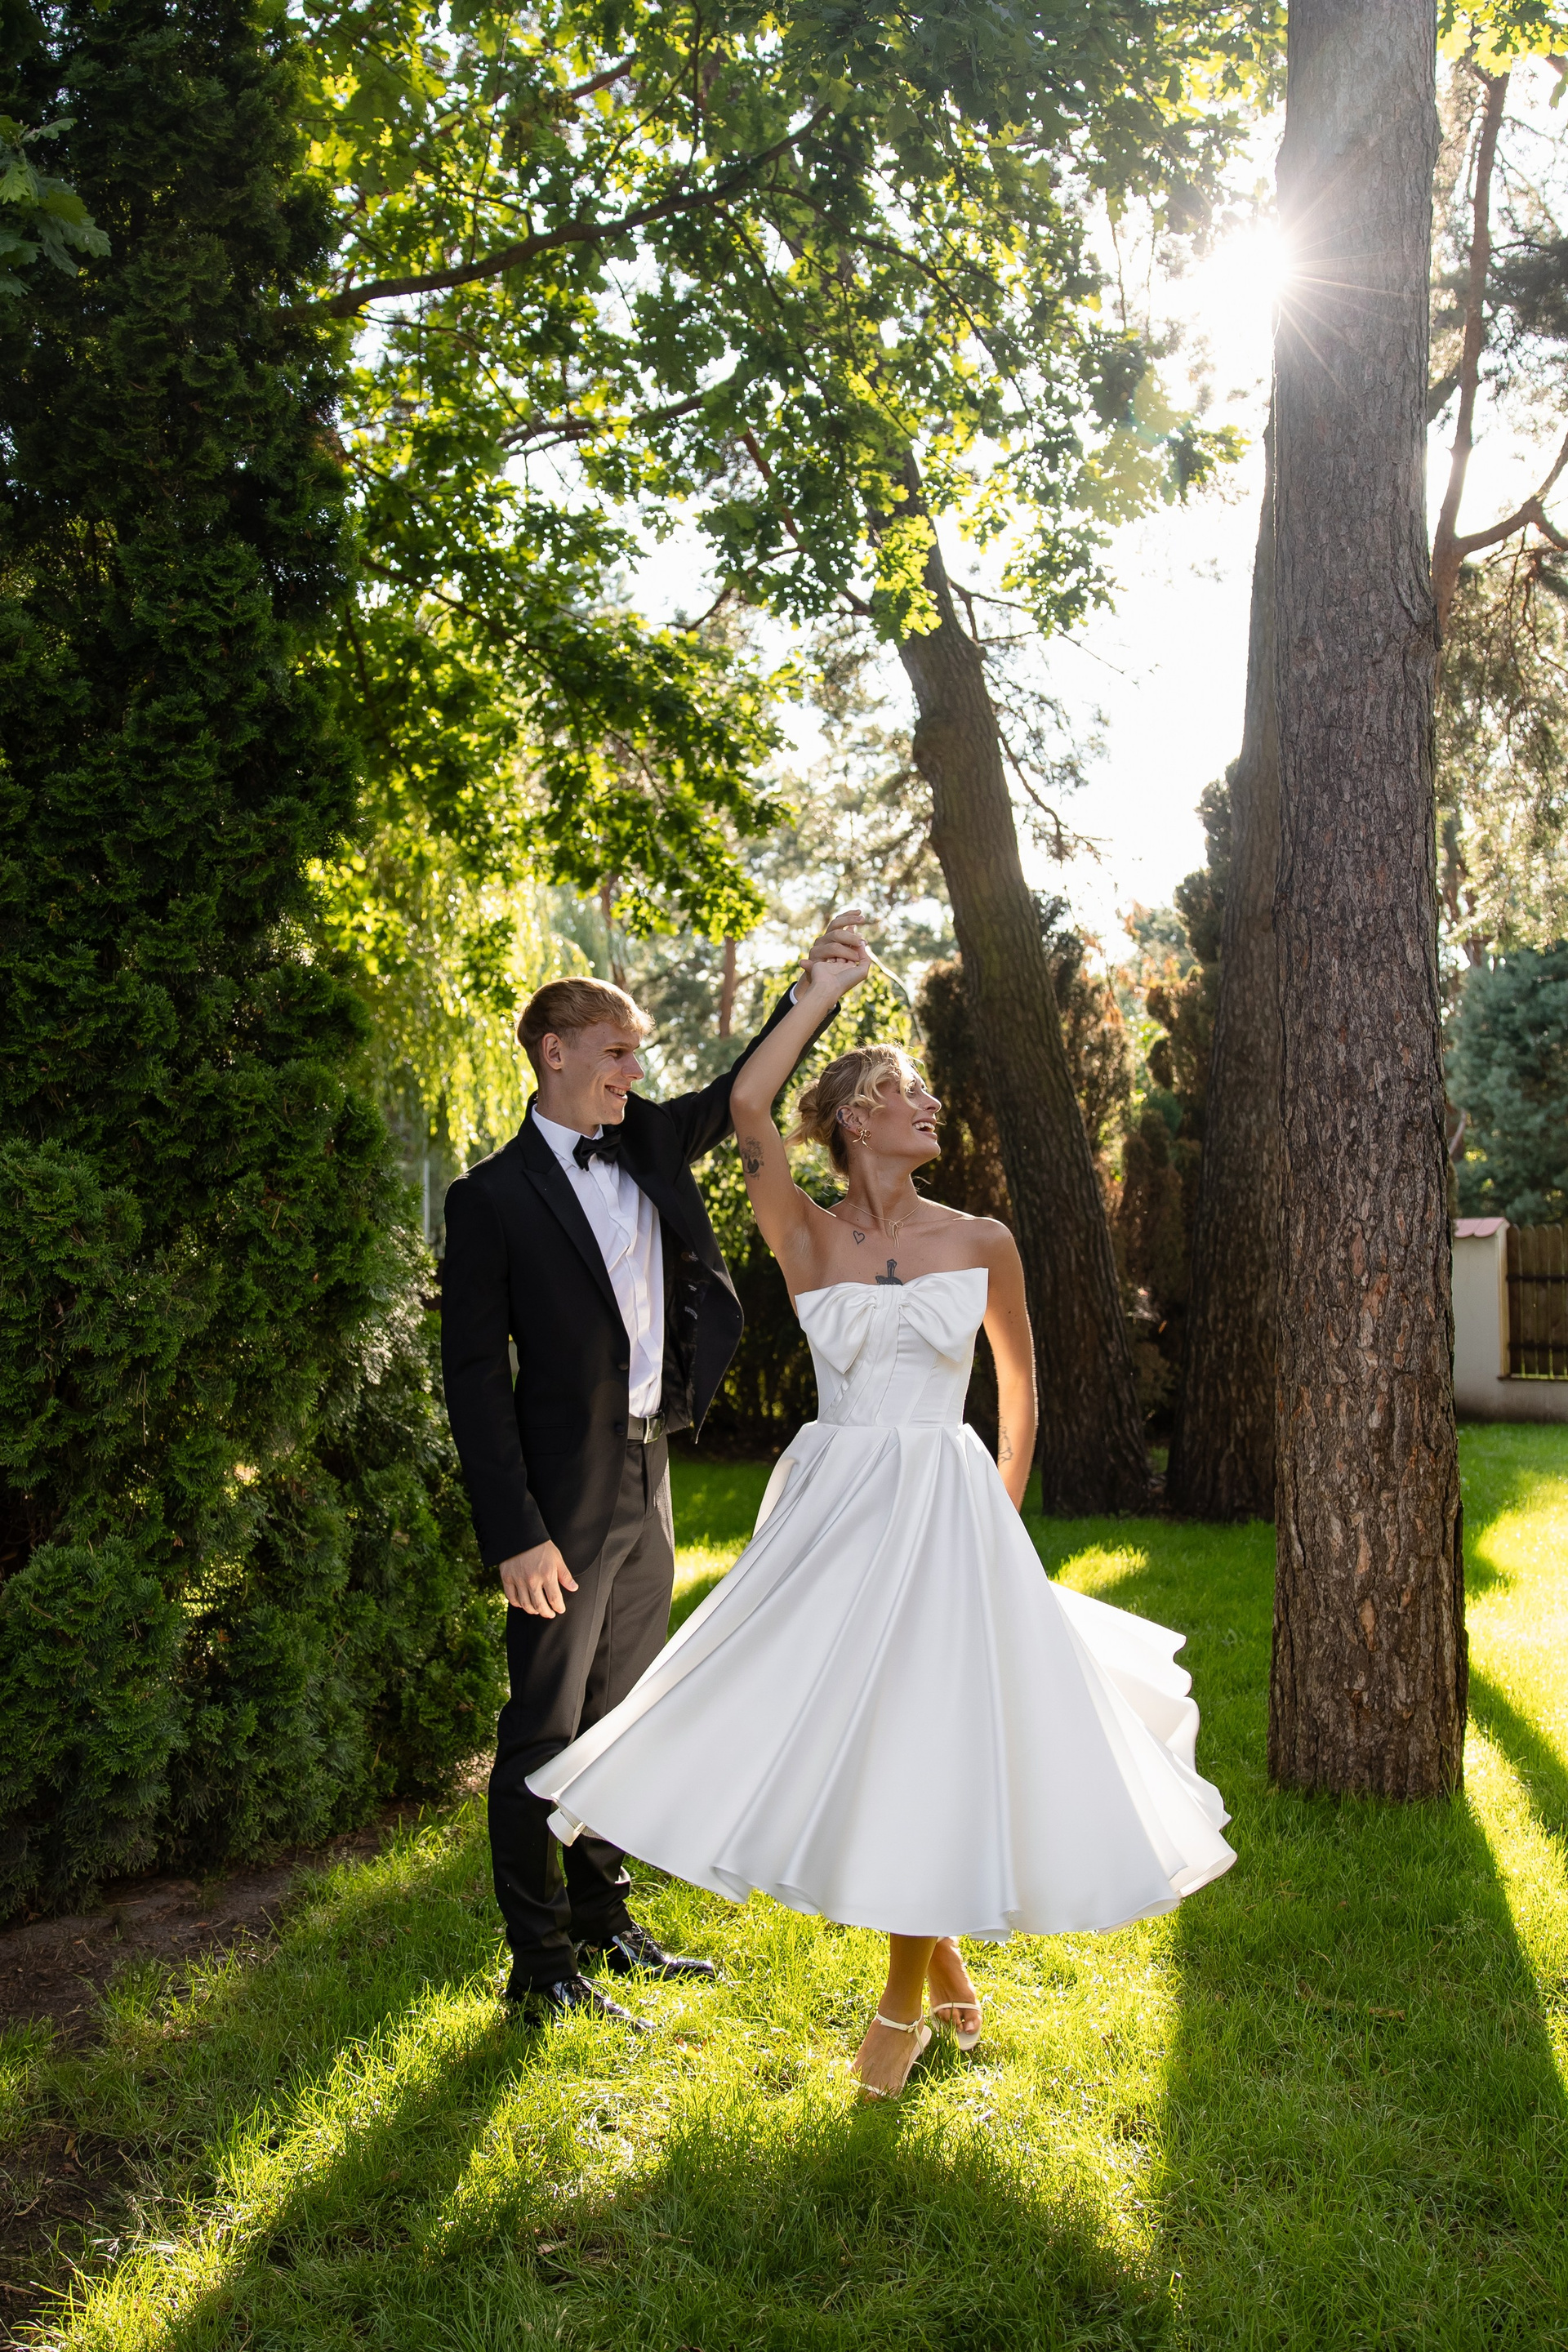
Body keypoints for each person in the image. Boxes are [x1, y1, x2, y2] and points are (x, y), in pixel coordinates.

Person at [528, 913, 1236, 2094]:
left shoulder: (984, 1240)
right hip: (838, 1511)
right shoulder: (804, 1232)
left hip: (950, 1511)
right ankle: (940, 1958)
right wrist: (819, 992)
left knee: (931, 1733)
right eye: (909, 1093)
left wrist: (997, 1521)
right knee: (855, 1736)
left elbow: (1021, 1392)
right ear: (856, 1119)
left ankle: (903, 1997)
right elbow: (748, 1106)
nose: (932, 1107)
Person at [441, 923, 852, 2025]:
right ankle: (539, 1969)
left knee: (621, 1715)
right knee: (544, 1726)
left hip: (650, 1466)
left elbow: (744, 1089)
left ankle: (605, 1924)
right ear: (556, 1052)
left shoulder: (651, 1140)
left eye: (638, 1054)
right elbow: (473, 1379)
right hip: (558, 1495)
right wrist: (514, 1530)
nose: (634, 1071)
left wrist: (814, 994)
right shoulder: (489, 1199)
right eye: (617, 1052)